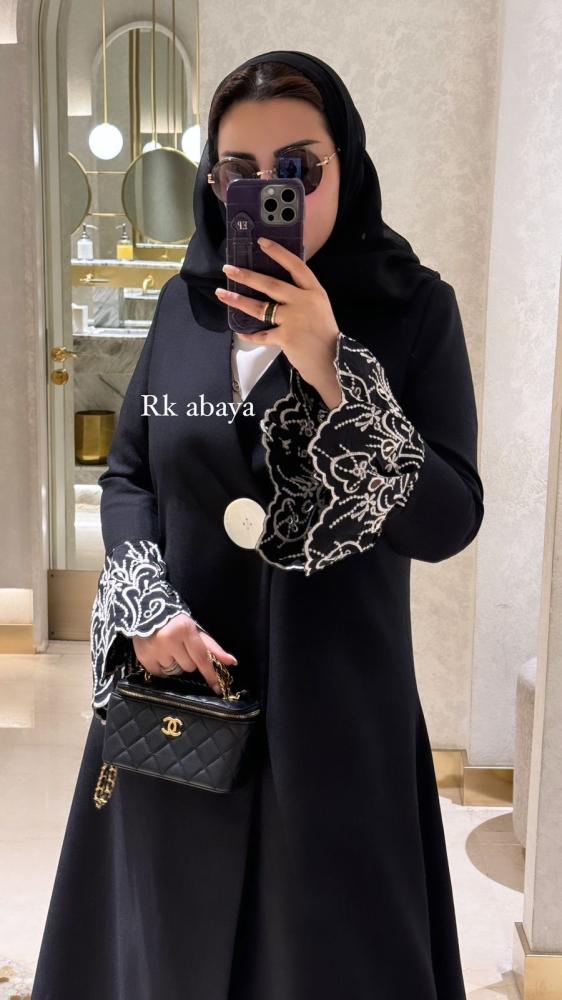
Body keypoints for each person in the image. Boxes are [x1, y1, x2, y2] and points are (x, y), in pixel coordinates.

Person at [32, 49, 484, 1000]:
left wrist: (333, 364)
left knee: (328, 959)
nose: (268, 191)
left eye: (298, 168)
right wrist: (144, 604)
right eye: (238, 170)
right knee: (170, 943)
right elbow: (129, 475)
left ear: (345, 165)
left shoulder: (412, 311)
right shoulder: (184, 308)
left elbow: (448, 519)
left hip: (337, 714)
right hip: (179, 701)